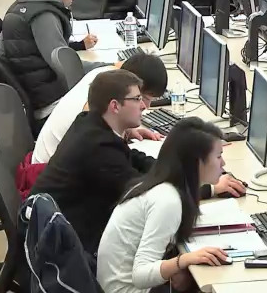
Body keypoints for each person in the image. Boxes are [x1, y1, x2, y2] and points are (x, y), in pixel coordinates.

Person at [30, 71, 243, 255]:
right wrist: (206, 187)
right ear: (115, 106)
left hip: (60, 227)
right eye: (137, 99)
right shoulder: (98, 148)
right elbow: (143, 192)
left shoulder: (92, 125)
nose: (143, 106)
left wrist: (181, 168)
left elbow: (135, 159)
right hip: (68, 243)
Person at [97, 117, 230, 293]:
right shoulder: (168, 200)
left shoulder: (163, 186)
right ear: (197, 162)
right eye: (219, 156)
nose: (223, 164)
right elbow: (140, 275)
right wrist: (182, 261)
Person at [0, 0, 104, 121]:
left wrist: (77, 46)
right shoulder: (44, 16)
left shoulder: (23, 4)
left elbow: (28, 50)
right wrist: (107, 68)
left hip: (37, 92)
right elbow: (67, 68)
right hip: (51, 103)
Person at [32, 53, 168, 165]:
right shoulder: (94, 113)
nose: (146, 106)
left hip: (51, 164)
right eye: (142, 98)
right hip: (49, 174)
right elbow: (109, 160)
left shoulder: (104, 78)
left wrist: (126, 130)